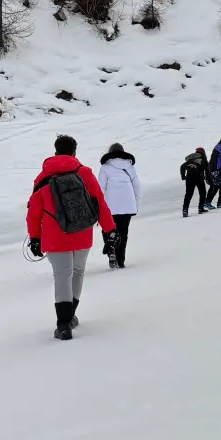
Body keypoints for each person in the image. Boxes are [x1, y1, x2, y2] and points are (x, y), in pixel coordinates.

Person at [26, 135, 115, 341]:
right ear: (75, 151)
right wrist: (109, 229)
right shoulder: (84, 173)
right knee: (78, 272)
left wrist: (35, 237)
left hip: (55, 235)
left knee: (62, 275)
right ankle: (71, 314)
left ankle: (63, 324)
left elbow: (34, 211)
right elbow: (99, 203)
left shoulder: (43, 178)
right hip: (83, 232)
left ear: (55, 151)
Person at [97, 145, 140, 268]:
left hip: (110, 205)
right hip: (127, 204)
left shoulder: (105, 167)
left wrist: (99, 206)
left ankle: (111, 248)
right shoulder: (130, 166)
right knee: (123, 232)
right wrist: (136, 204)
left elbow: (101, 188)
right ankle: (120, 260)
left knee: (108, 228)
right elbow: (137, 185)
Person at [180, 147, 212, 216]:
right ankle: (201, 208)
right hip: (199, 178)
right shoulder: (203, 160)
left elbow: (182, 167)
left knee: (188, 194)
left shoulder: (190, 160)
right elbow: (207, 171)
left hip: (189, 178)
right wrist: (208, 180)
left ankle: (185, 210)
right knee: (202, 193)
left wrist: (183, 176)